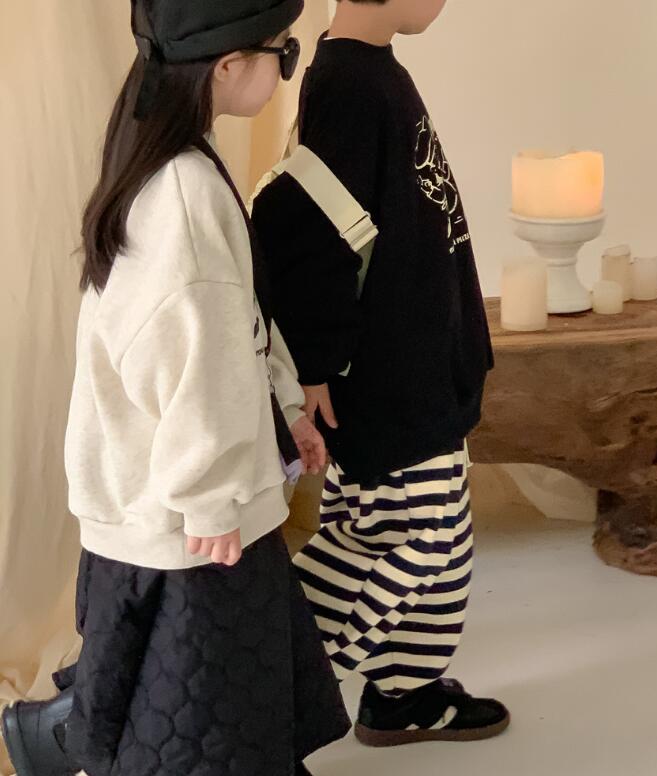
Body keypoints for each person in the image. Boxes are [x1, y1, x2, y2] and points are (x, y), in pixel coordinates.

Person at [0, 2, 349, 775]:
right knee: (204, 731)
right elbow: (194, 358)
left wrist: (285, 413)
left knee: (186, 711)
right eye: (283, 53)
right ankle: (55, 735)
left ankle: (54, 733)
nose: (286, 69)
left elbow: (238, 329)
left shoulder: (168, 160)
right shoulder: (186, 190)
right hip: (192, 530)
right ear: (227, 66)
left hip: (178, 510)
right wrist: (213, 492)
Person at [251, 0, 510, 747]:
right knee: (415, 535)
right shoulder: (348, 86)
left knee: (418, 534)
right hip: (388, 381)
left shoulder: (368, 72)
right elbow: (301, 230)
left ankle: (404, 694)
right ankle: (270, 698)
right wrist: (317, 364)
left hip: (415, 370)